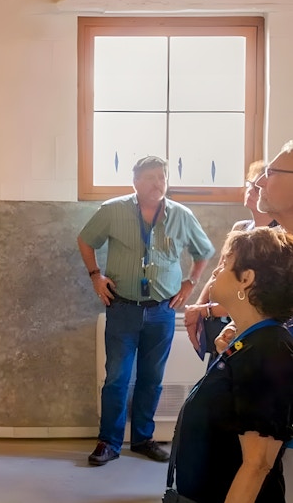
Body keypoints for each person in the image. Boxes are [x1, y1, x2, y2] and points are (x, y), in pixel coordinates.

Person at [77, 155, 214, 466]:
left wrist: (191, 282)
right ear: (135, 182)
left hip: (162, 310)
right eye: (151, 177)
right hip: (122, 307)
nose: (158, 183)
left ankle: (142, 439)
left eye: (162, 177)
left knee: (152, 379)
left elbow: (203, 251)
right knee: (117, 378)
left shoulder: (181, 215)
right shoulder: (112, 210)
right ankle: (108, 442)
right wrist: (95, 275)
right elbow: (85, 240)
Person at [169, 227, 293, 503]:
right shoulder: (250, 344)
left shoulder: (266, 350)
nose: (215, 273)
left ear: (246, 279)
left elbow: (257, 464)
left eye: (225, 263)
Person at [184, 160, 277, 363]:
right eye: (250, 184)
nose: (251, 190)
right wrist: (198, 309)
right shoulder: (241, 227)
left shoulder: (277, 237)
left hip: (248, 324)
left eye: (257, 186)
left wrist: (207, 310)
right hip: (221, 322)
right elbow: (217, 273)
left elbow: (258, 298)